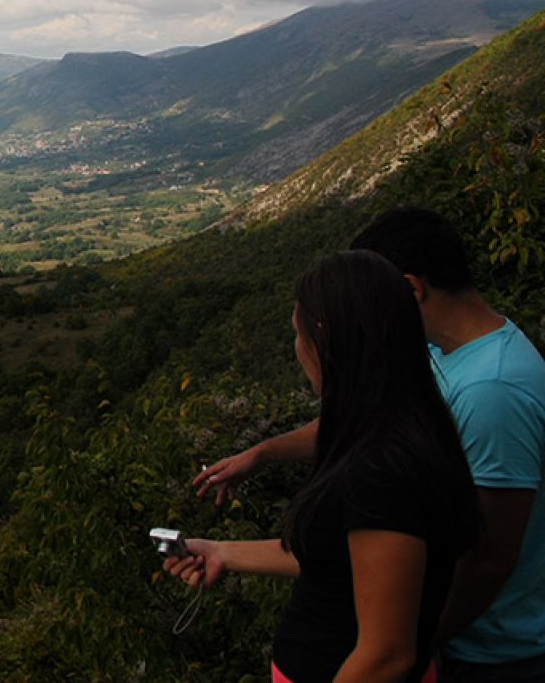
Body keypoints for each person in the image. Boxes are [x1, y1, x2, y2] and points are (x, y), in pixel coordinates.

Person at [196, 208, 545, 680]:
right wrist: (262, 456)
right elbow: (372, 419)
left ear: (408, 289)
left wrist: (424, 641)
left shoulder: (493, 391)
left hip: (491, 652)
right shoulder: (437, 360)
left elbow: (488, 557)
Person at [168, 249, 479, 682]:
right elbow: (342, 560)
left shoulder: (380, 473)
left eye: (298, 333)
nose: (296, 351)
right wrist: (222, 551)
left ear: (326, 343)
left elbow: (385, 656)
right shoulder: (401, 432)